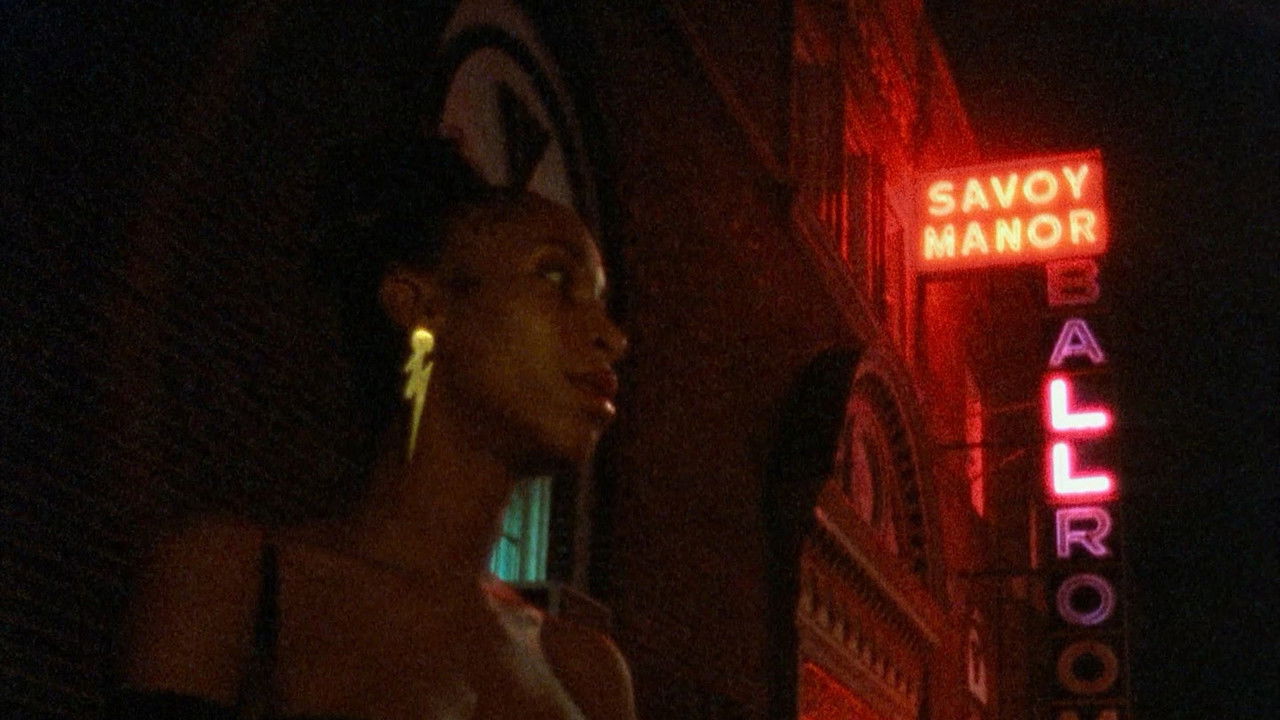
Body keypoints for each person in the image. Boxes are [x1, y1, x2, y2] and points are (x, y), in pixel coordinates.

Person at [110, 136, 634, 720]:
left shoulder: (585, 670)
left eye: (600, 300)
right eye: (555, 277)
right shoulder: (237, 584)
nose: (612, 337)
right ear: (419, 305)